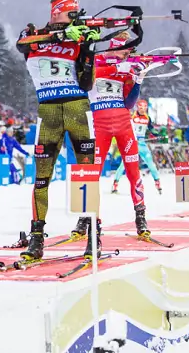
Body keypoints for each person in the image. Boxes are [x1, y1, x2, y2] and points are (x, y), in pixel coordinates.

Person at [15, 0, 100, 261]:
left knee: (84, 177)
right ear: (56, 13)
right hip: (48, 111)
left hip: (77, 108)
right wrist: (60, 36)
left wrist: (87, 50)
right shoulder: (34, 35)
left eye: (77, 14)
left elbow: (87, 83)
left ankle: (93, 236)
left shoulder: (79, 39)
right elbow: (21, 45)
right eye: (71, 13)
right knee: (41, 179)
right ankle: (37, 238)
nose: (75, 18)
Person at [73, 32, 150, 249]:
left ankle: (141, 217)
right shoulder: (97, 61)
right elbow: (87, 80)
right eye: (126, 51)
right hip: (100, 125)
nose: (128, 55)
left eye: (129, 52)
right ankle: (85, 219)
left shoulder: (126, 68)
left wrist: (137, 81)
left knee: (134, 171)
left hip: (124, 124)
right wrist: (118, 68)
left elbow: (129, 103)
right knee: (91, 173)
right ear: (115, 47)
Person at [112, 99, 162, 194]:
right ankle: (115, 184)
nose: (142, 110)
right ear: (137, 107)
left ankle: (157, 183)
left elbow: (151, 129)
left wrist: (156, 134)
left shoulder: (148, 118)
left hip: (142, 144)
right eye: (140, 107)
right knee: (124, 164)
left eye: (144, 108)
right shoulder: (131, 116)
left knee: (150, 164)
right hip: (132, 143)